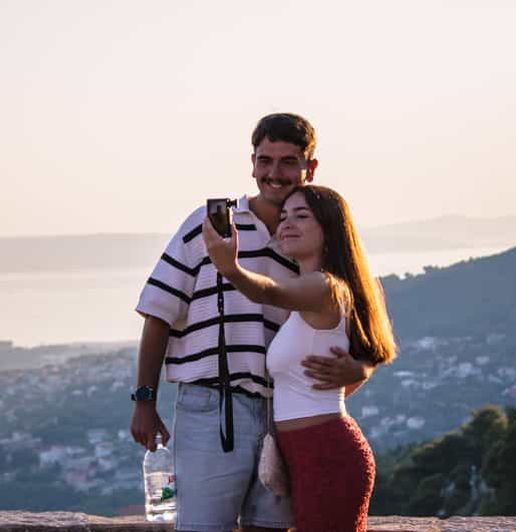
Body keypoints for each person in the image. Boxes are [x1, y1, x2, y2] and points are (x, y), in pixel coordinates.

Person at [131, 113, 372, 532]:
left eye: (288, 162)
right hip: (212, 406)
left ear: (310, 167)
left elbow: (360, 325)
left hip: (284, 415)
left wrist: (361, 368)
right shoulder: (209, 227)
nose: (274, 173)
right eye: (265, 161)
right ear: (252, 163)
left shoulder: (309, 239)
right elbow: (159, 313)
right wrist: (144, 402)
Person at [202, 184, 398, 532]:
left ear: (329, 228)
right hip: (308, 453)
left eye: (301, 216)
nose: (287, 224)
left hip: (326, 453)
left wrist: (230, 268)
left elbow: (269, 292)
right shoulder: (316, 289)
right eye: (284, 216)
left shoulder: (325, 287)